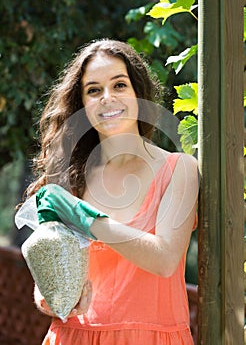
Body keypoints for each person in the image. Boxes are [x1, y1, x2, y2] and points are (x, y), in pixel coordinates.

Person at [26, 38, 198, 344]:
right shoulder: (71, 177)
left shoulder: (179, 169)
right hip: (72, 336)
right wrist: (47, 298)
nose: (107, 98)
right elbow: (48, 265)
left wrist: (82, 215)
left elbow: (165, 259)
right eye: (94, 90)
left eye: (119, 85)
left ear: (138, 93)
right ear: (82, 104)